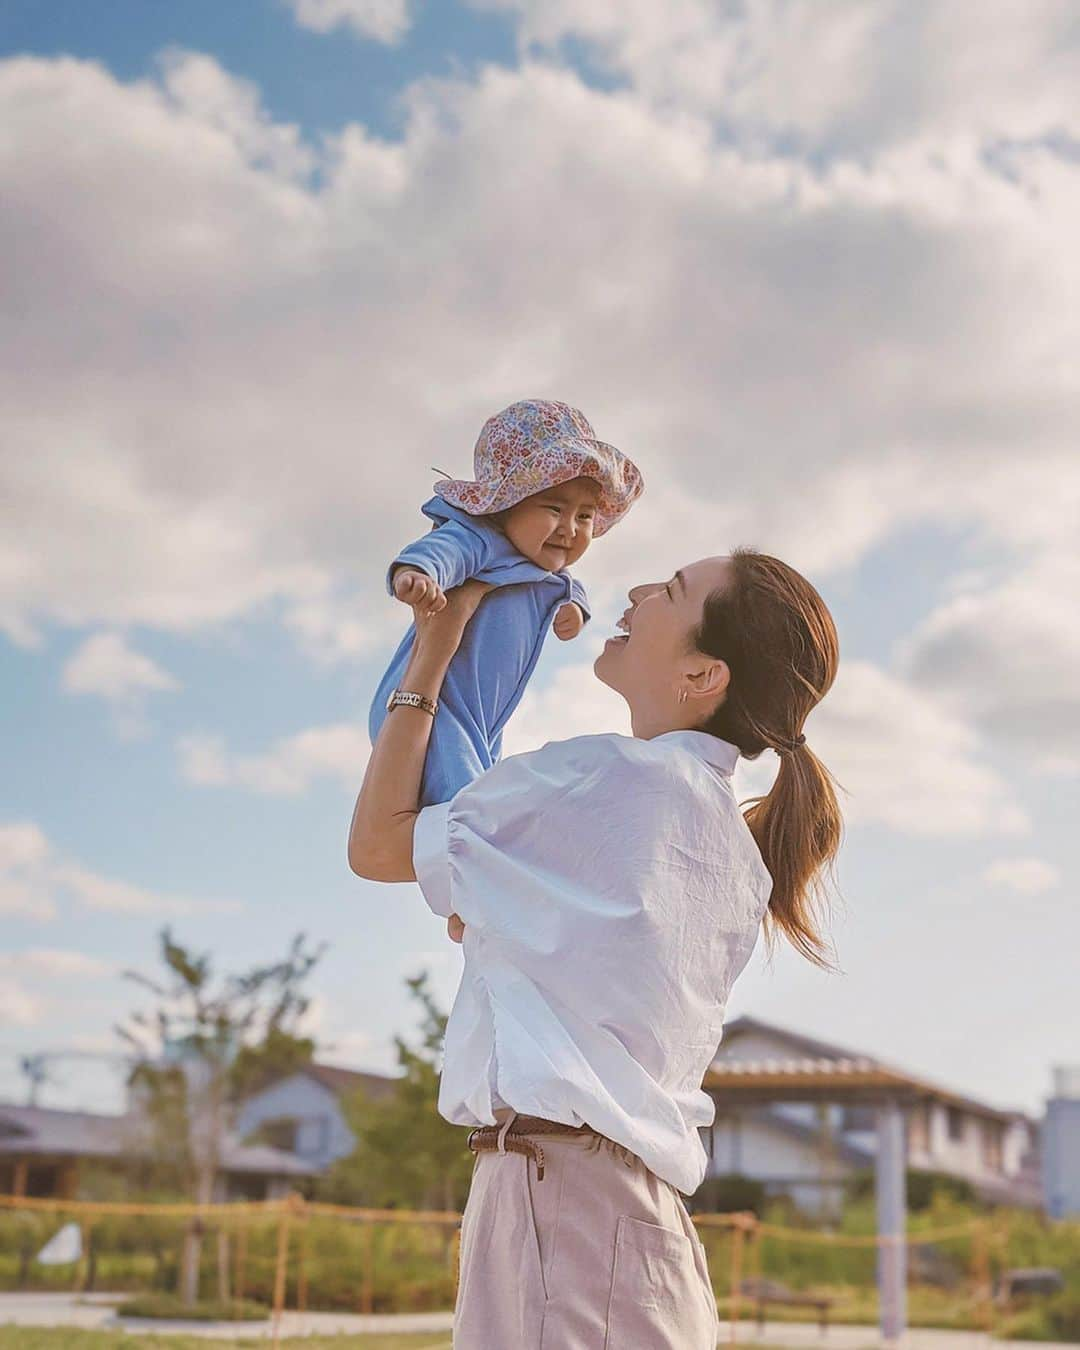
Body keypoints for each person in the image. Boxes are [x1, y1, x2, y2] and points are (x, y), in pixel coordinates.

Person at [349, 548, 842, 1348]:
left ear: (702, 676)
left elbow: (378, 846)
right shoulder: (723, 842)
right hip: (616, 1213)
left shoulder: (610, 781)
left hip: (562, 1203)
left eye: (673, 591)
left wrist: (432, 650)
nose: (642, 590)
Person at [368, 398, 644, 805]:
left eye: (585, 517)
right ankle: (462, 835)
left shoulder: (544, 570)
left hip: (484, 720)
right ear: (506, 505)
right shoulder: (481, 541)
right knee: (466, 801)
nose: (569, 529)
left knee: (486, 778)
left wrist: (575, 610)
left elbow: (567, 585)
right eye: (554, 509)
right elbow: (443, 550)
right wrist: (418, 575)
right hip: (435, 703)